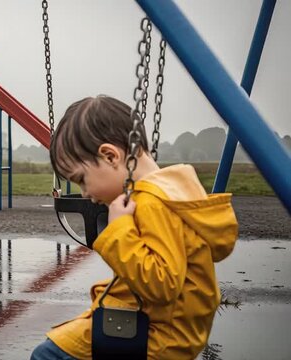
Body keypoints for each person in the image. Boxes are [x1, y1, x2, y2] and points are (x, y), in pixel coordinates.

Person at [31, 95, 239, 359]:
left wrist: (119, 230)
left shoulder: (152, 203)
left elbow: (161, 285)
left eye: (82, 180)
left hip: (160, 334)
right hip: (169, 323)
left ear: (110, 156)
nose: (84, 193)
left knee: (48, 355)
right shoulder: (174, 189)